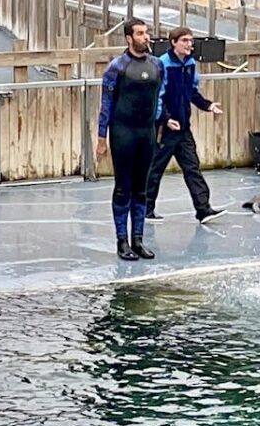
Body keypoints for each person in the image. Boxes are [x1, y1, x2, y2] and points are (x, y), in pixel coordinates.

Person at [97, 18, 176, 261]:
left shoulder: (156, 66)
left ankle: (138, 240)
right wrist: (101, 138)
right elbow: (106, 105)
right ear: (129, 38)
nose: (146, 37)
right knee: (123, 188)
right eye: (140, 33)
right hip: (123, 133)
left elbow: (159, 98)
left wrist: (163, 121)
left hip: (146, 133)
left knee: (141, 189)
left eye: (147, 33)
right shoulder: (117, 67)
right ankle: (122, 241)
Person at [145, 27, 227, 224]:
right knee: (155, 169)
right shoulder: (162, 64)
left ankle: (203, 209)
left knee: (192, 168)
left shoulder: (190, 64)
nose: (190, 44)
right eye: (185, 40)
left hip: (182, 127)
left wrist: (207, 105)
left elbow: (192, 92)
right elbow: (157, 96)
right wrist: (164, 119)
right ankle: (145, 209)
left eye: (191, 40)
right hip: (165, 129)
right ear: (173, 42)